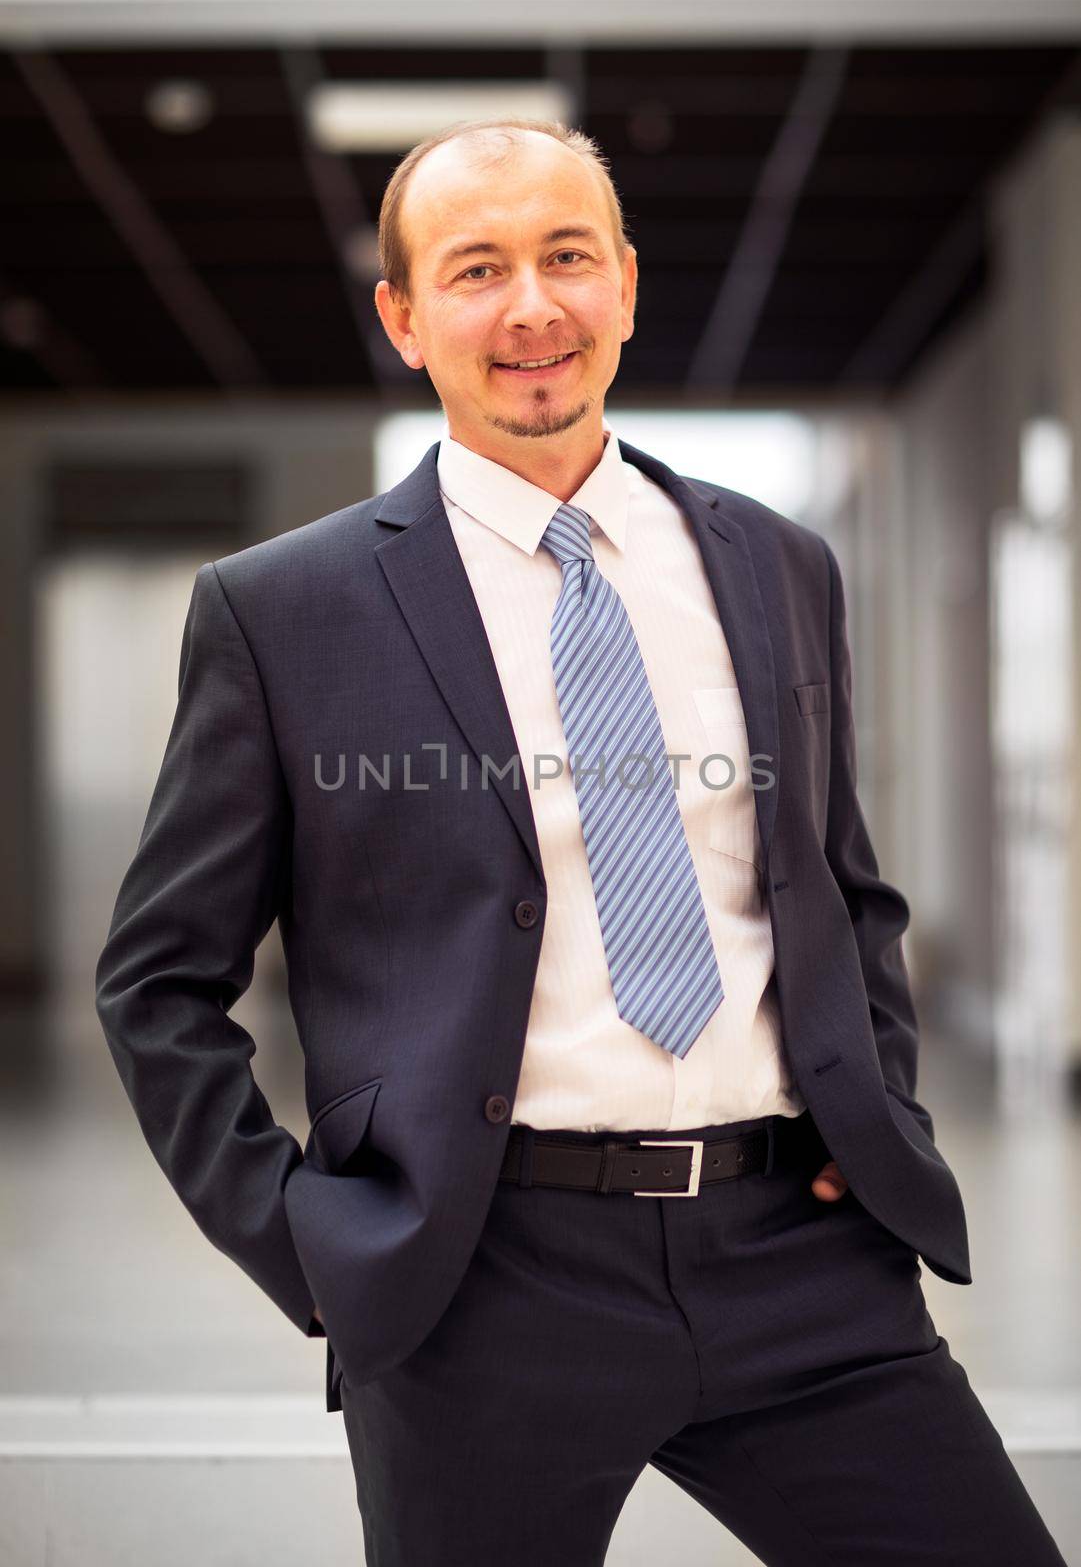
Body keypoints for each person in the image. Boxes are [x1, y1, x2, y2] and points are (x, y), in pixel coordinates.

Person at [95, 118, 1067, 1566]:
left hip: (799, 1259)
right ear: (406, 320)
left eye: (565, 256)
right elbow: (158, 979)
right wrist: (305, 1239)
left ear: (624, 282)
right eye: (476, 269)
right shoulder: (282, 610)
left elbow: (840, 888)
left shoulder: (773, 562)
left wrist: (883, 1126)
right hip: (478, 1284)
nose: (531, 306)